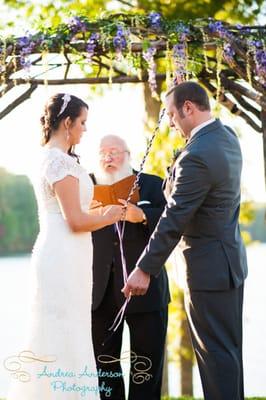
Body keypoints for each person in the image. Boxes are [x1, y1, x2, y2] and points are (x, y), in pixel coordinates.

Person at [123, 82, 248, 400]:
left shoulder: (197, 155)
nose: (171, 123)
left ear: (189, 108)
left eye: (173, 115)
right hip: (230, 264)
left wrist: (144, 268)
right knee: (228, 355)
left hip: (207, 269)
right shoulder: (226, 138)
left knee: (215, 358)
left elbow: (175, 217)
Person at [7, 94, 123, 400]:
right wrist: (108, 216)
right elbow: (74, 220)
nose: (85, 129)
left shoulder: (54, 157)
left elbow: (71, 209)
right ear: (67, 122)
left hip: (67, 253)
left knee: (68, 327)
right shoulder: (58, 160)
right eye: (82, 122)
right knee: (64, 329)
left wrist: (94, 207)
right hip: (63, 253)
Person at [90, 135, 170, 400]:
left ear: (129, 154)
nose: (108, 157)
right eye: (102, 152)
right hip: (99, 294)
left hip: (146, 291)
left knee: (146, 369)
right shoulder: (85, 186)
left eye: (114, 152)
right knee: (105, 370)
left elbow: (174, 224)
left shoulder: (151, 184)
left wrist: (143, 214)